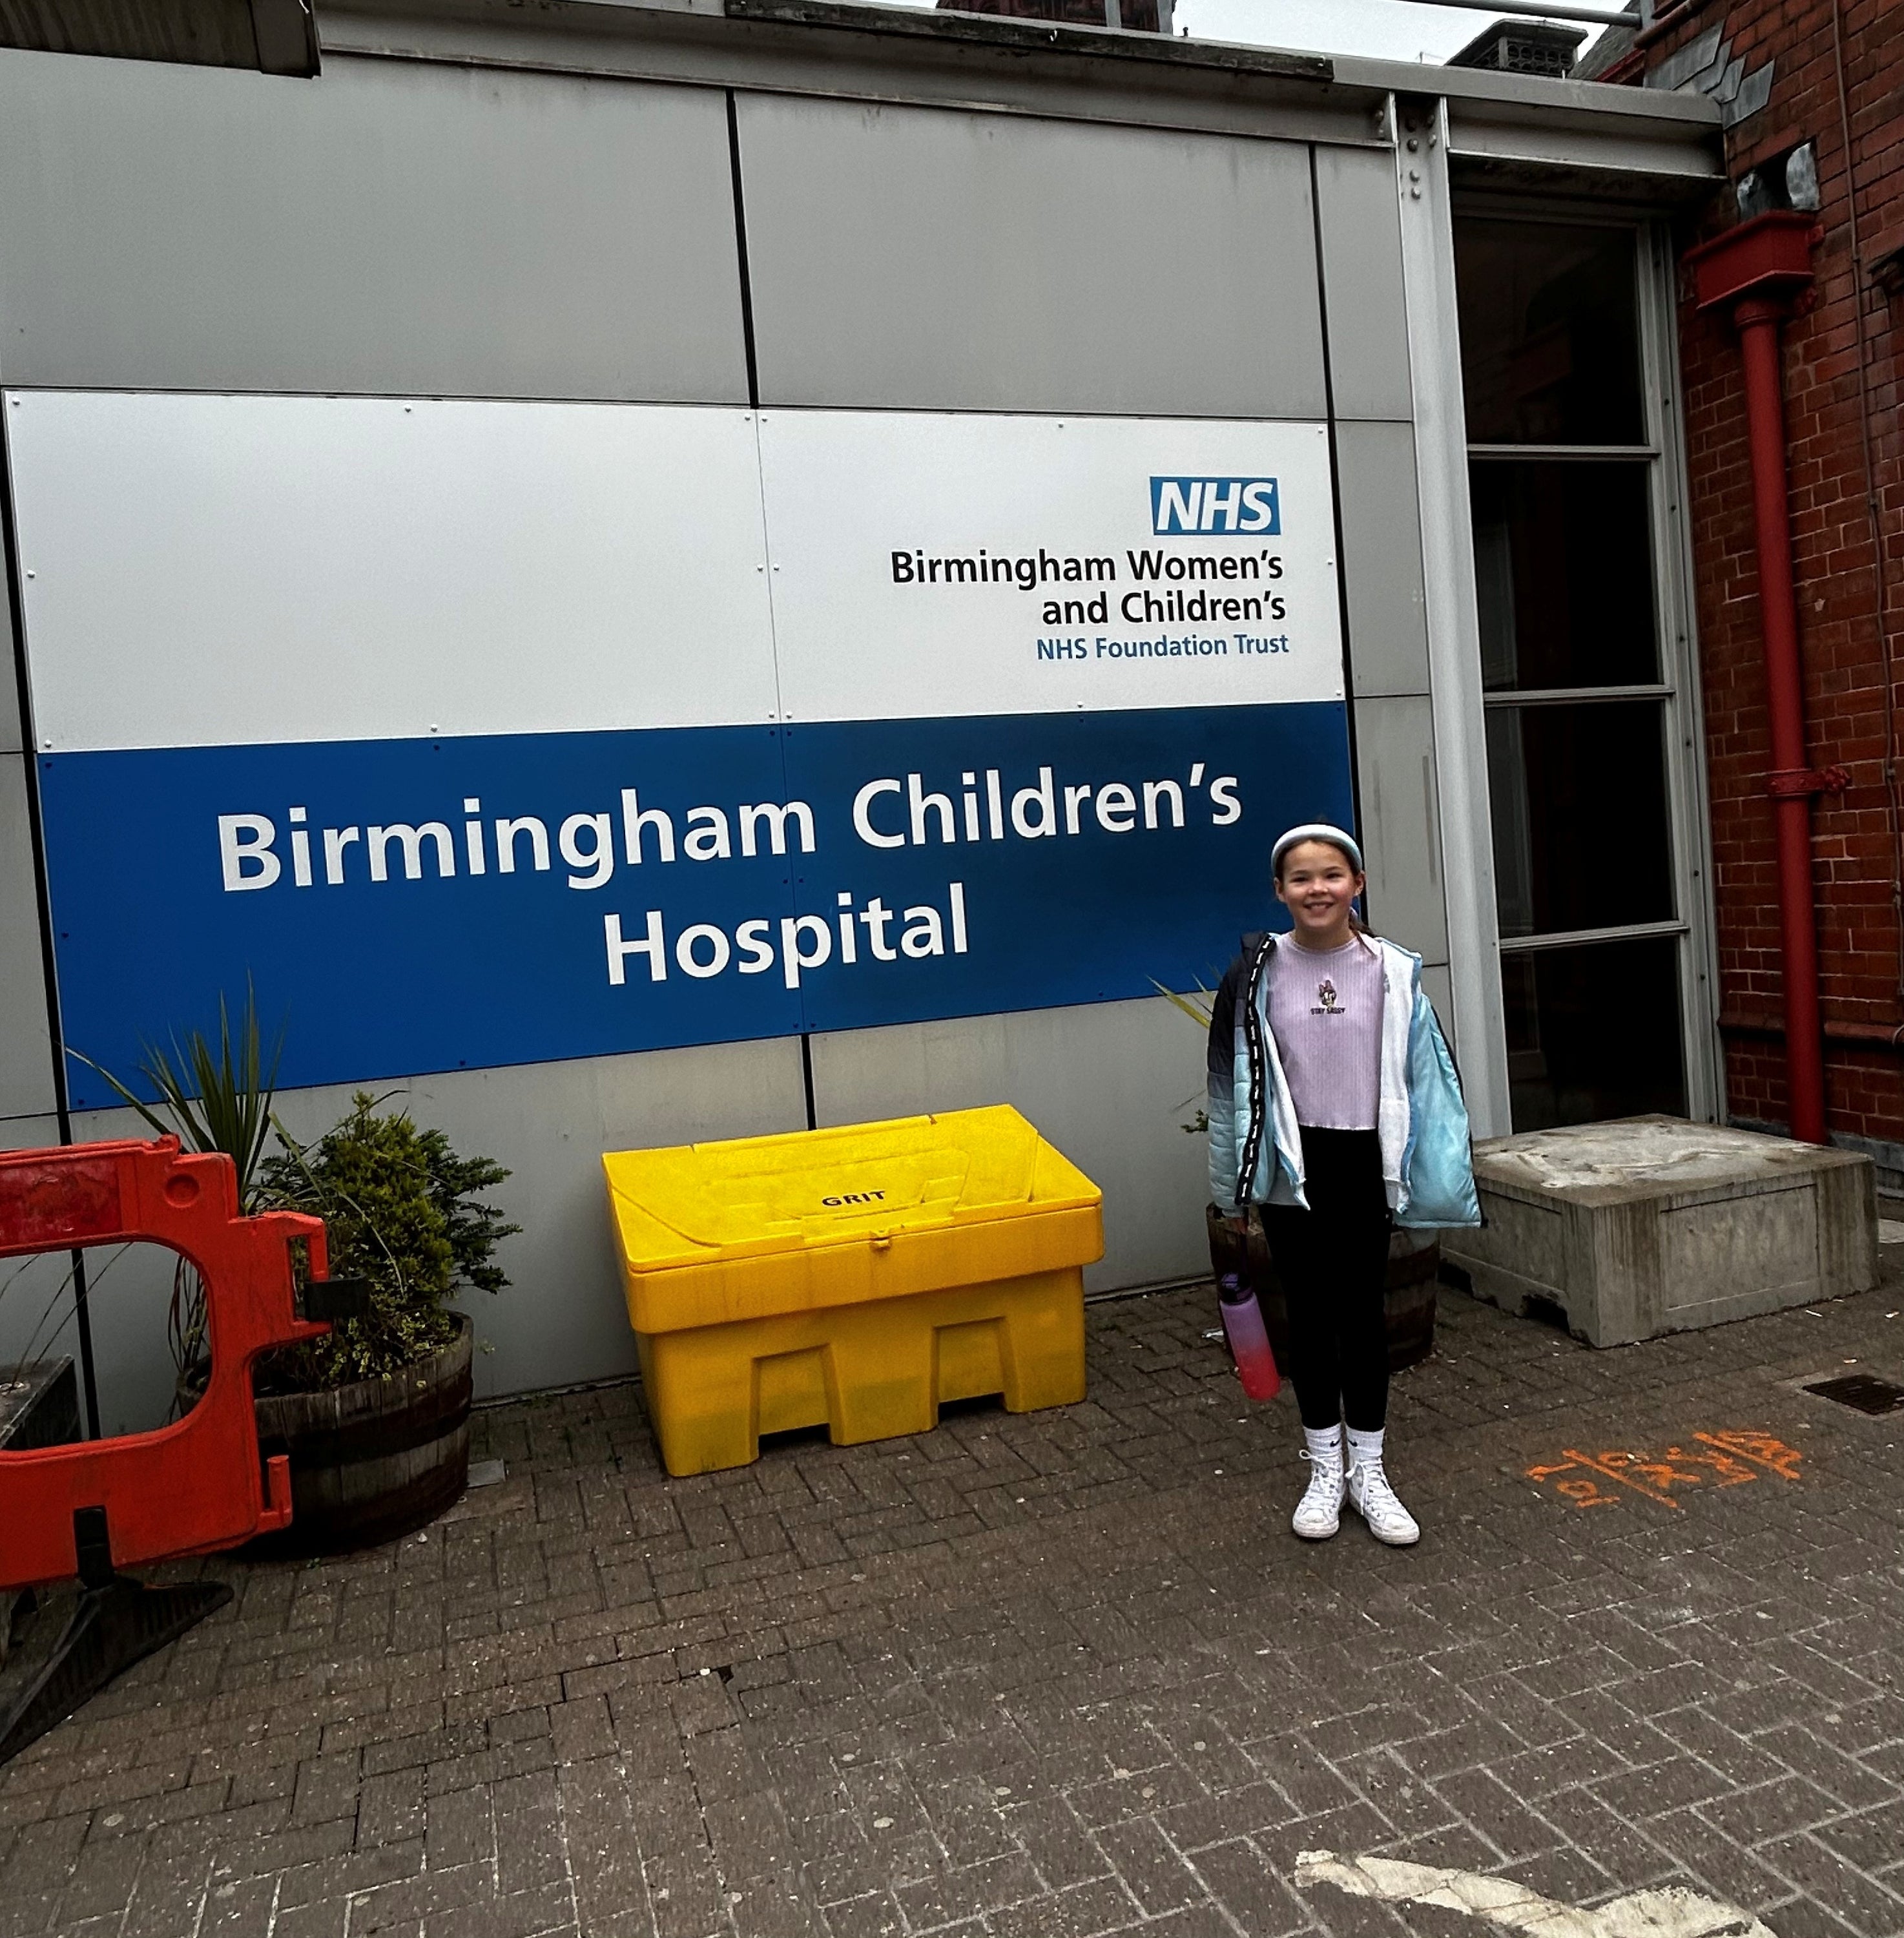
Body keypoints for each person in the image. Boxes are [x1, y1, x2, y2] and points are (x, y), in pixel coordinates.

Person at [1205, 822, 1478, 1547]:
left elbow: (1428, 1083)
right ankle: (1323, 1469)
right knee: (1307, 1317)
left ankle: (1370, 1472)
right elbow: (1231, 1089)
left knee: (1361, 1319)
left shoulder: (1393, 970)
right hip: (1293, 1171)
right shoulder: (1254, 974)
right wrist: (1232, 1188)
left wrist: (1437, 1175)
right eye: (1299, 878)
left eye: (1330, 875)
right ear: (1279, 891)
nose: (1315, 888)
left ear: (1355, 884)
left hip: (1365, 1165)